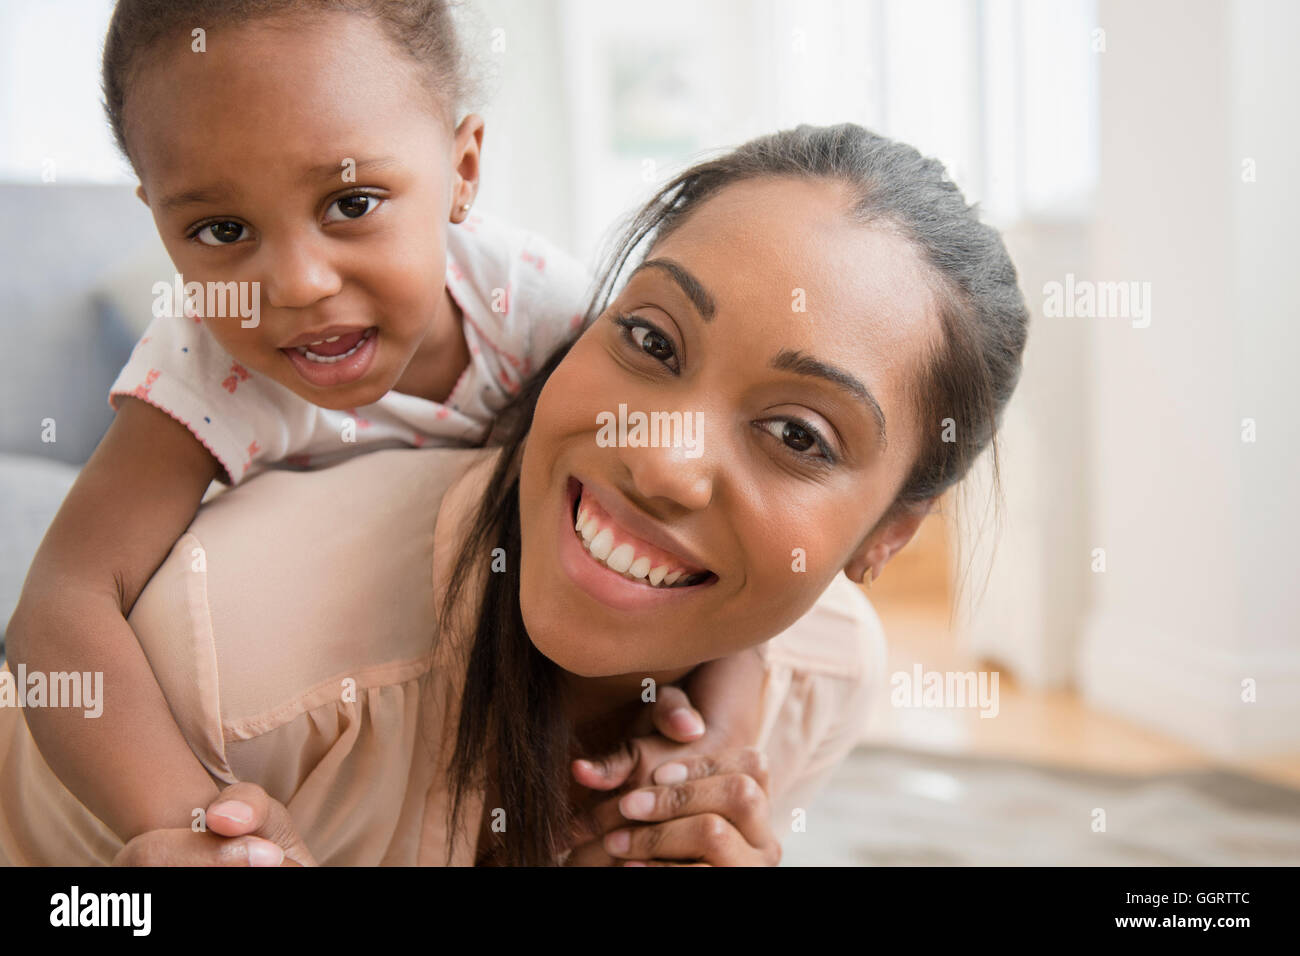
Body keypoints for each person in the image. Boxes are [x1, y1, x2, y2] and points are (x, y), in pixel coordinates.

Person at [0, 122, 1030, 865]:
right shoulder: (237, 664)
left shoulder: (825, 672)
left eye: (798, 433)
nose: (659, 459)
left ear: (887, 536)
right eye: (652, 340)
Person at [3, 0, 767, 850]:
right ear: (155, 217)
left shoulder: (540, 314)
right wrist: (185, 819)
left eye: (352, 202)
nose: (296, 283)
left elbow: (692, 546)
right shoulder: (202, 360)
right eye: (220, 229)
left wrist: (724, 731)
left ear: (462, 168)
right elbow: (63, 604)